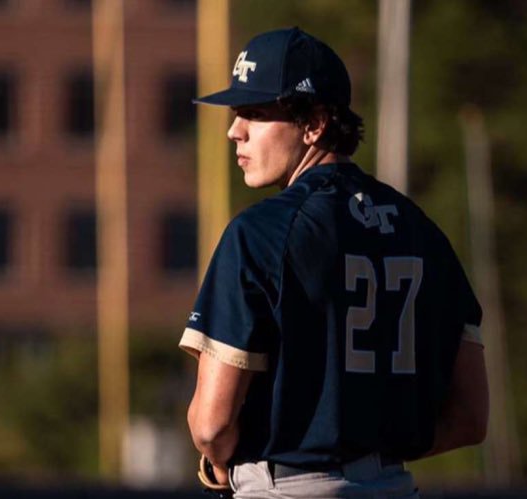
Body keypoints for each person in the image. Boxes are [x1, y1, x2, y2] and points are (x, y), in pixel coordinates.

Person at [181, 27, 489, 499]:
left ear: (315, 124)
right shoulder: (422, 230)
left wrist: (220, 465)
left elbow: (211, 426)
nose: (233, 130)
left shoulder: (259, 232)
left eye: (255, 113)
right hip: (394, 487)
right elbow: (470, 418)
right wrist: (371, 455)